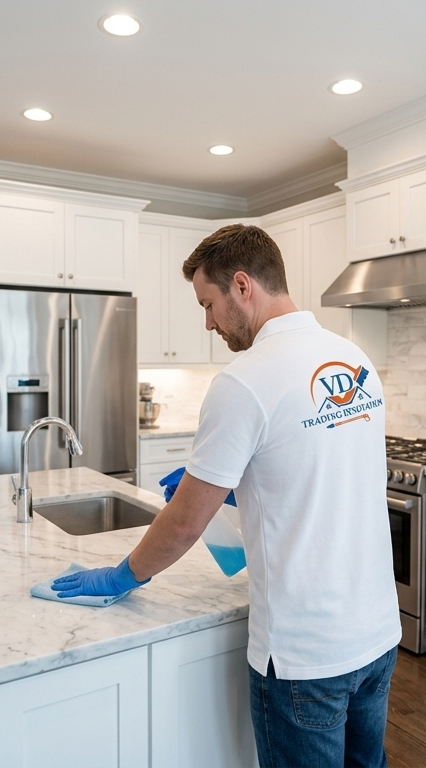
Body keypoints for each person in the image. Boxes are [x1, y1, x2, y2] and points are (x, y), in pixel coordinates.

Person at [52, 224, 401, 768]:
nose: (208, 323)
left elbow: (184, 524)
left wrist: (123, 575)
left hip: (304, 655)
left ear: (242, 285)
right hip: (378, 634)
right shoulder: (355, 360)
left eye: (208, 304)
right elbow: (325, 474)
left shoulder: (244, 381)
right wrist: (235, 486)